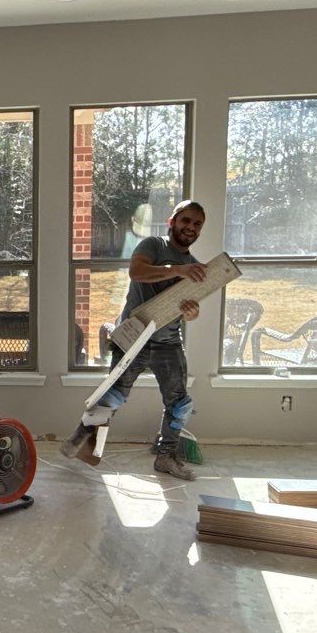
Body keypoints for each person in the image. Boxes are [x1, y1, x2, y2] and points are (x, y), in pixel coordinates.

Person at [61, 200, 209, 480]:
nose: (190, 227)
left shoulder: (195, 267)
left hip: (168, 341)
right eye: (186, 220)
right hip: (134, 335)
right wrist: (177, 271)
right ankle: (82, 440)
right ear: (173, 221)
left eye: (197, 224)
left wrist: (192, 312)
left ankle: (166, 457)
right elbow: (137, 272)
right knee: (113, 395)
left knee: (180, 403)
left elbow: (192, 307)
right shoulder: (154, 245)